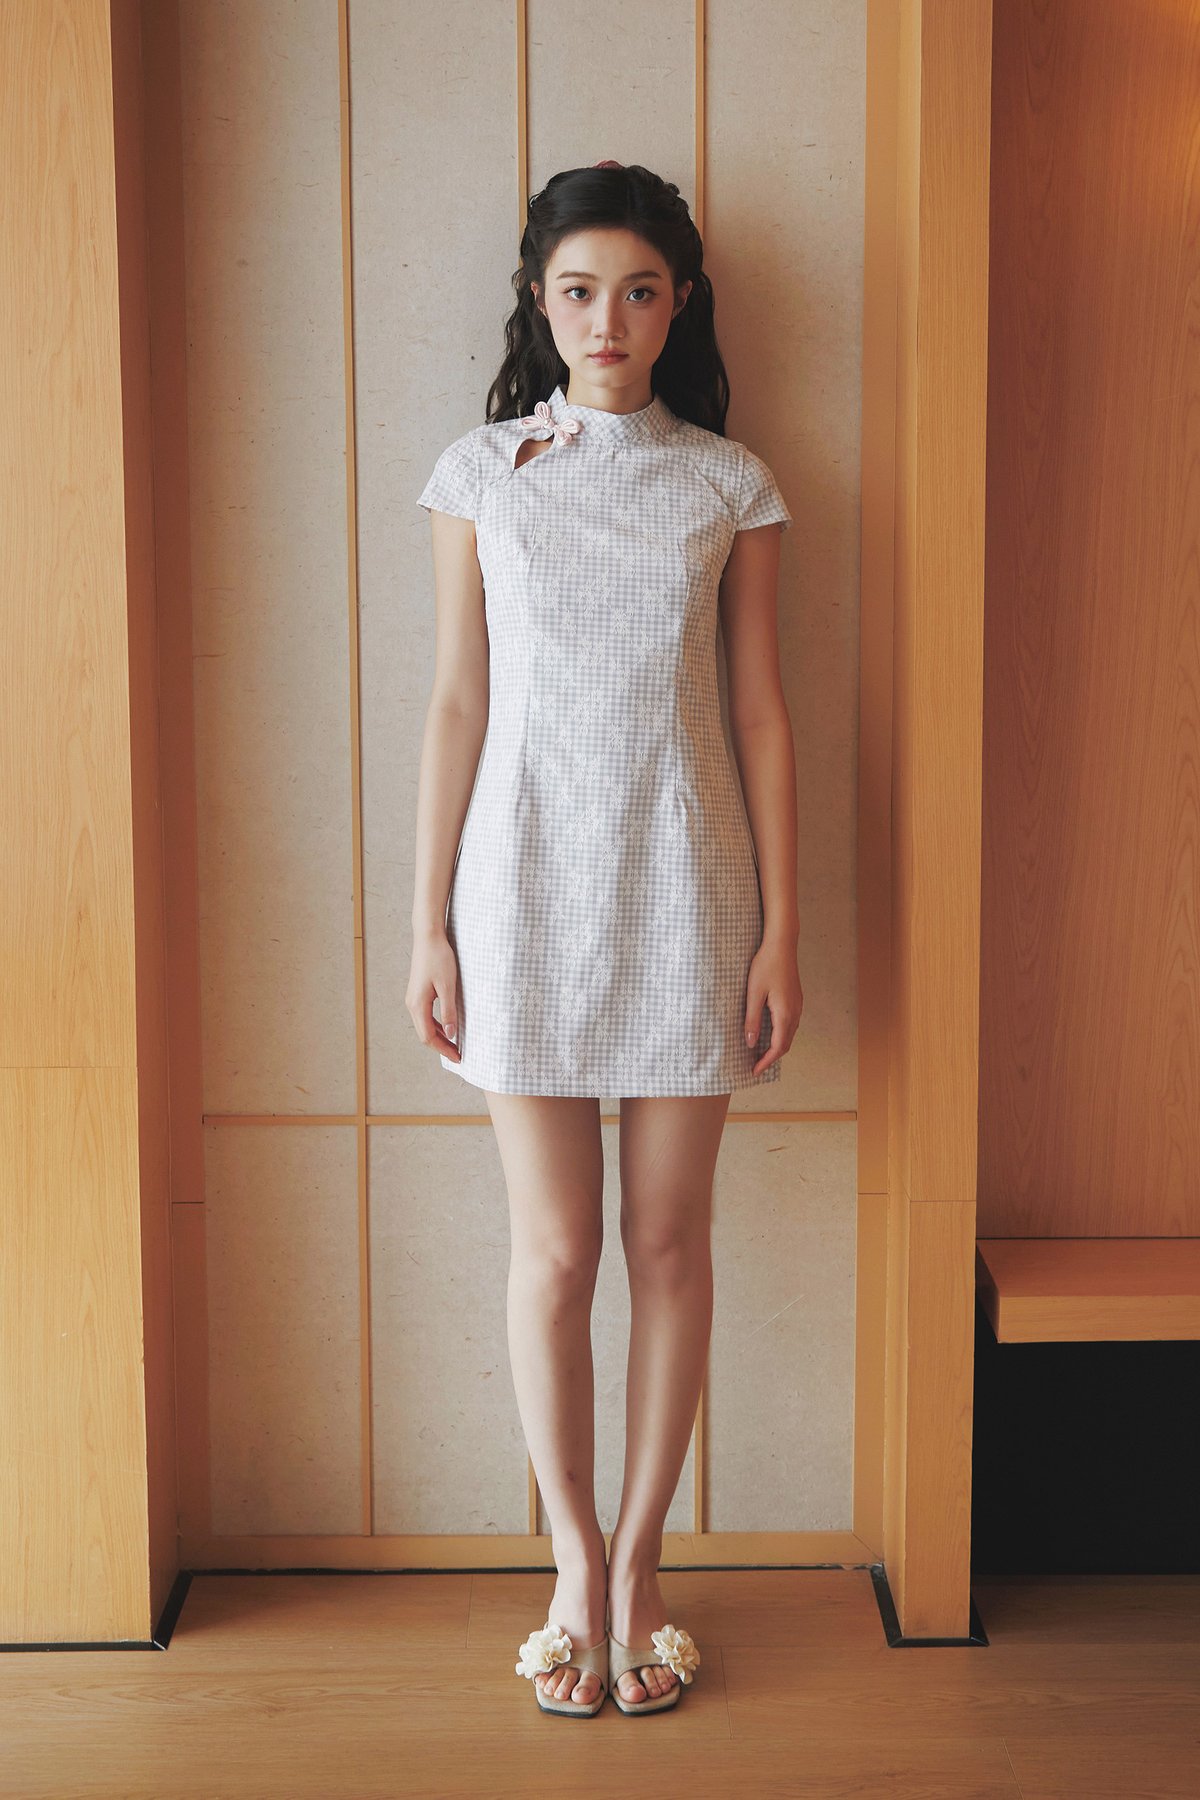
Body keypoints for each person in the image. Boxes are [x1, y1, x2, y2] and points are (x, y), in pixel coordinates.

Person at [407, 161, 803, 1717]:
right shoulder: (483, 472)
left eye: (639, 290)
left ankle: (641, 1565)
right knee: (559, 1250)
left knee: (667, 1244)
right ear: (539, 300)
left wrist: (782, 929)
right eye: (578, 291)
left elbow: (761, 715)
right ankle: (571, 1563)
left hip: (690, 890)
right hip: (517, 891)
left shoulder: (731, 482)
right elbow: (456, 702)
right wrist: (425, 922)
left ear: (680, 302)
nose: (608, 321)